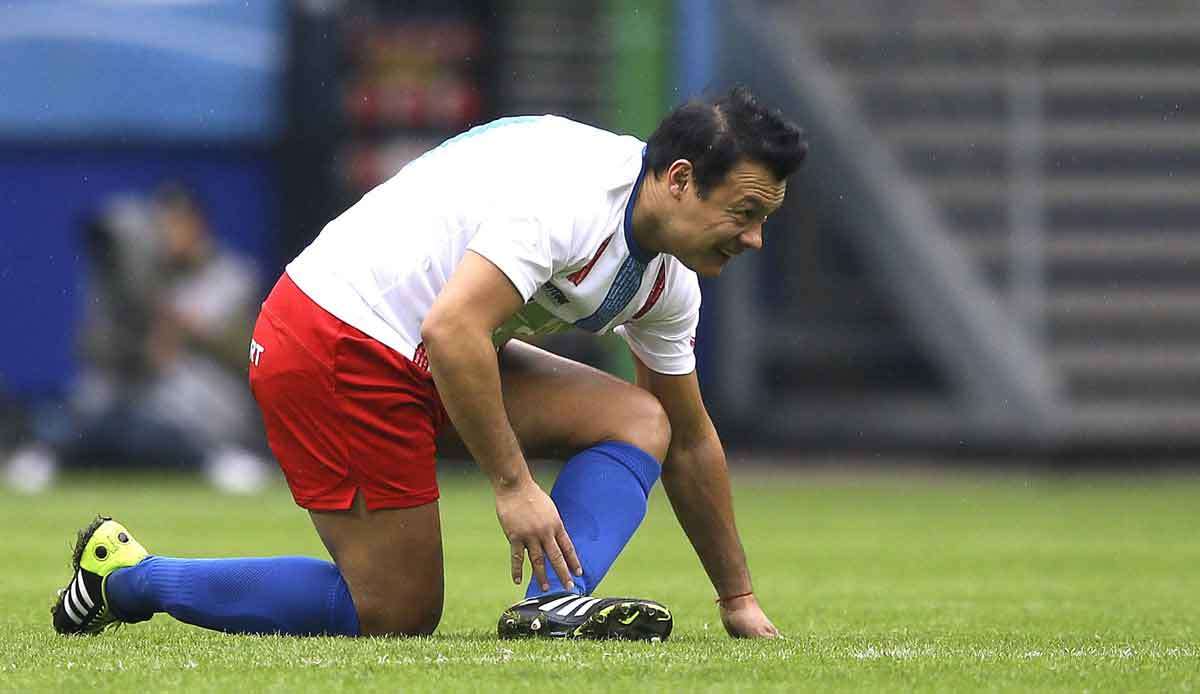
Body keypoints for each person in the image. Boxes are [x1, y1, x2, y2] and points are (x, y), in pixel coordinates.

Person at [52, 87, 807, 641]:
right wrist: (514, 486)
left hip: (429, 347)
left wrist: (736, 598)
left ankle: (552, 605)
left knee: (645, 419)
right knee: (394, 614)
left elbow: (692, 437)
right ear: (677, 179)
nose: (753, 241)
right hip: (332, 335)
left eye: (764, 220)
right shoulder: (574, 195)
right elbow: (452, 331)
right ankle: (125, 578)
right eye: (744, 214)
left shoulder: (669, 276)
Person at [6, 184, 269, 495]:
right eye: (158, 226)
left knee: (181, 395)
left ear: (198, 225)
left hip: (201, 402)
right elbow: (93, 349)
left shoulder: (232, 273)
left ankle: (218, 461)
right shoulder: (128, 279)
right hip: (134, 395)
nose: (164, 235)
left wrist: (176, 329)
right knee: (96, 400)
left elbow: (242, 350)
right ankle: (50, 458)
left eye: (175, 224)